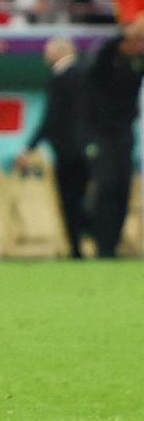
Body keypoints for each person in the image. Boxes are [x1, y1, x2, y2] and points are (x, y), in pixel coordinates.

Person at [17, 37, 89, 259]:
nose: (44, 55)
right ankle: (88, 240)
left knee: (69, 199)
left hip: (68, 149)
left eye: (47, 50)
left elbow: (51, 117)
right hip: (87, 147)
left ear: (59, 52)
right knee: (81, 197)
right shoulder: (84, 74)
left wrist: (29, 147)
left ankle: (77, 247)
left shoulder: (61, 77)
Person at [84, 22, 144, 258]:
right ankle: (102, 244)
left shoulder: (134, 67)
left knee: (122, 189)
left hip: (125, 135)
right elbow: (104, 54)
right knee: (106, 188)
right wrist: (125, 33)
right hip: (103, 135)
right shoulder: (104, 66)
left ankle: (114, 243)